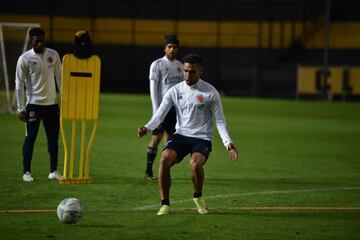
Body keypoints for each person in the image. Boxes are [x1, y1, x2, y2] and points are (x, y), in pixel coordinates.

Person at [138, 54, 238, 215]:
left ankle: (198, 198)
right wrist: (147, 127)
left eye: (191, 72)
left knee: (195, 164)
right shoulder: (175, 91)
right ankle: (165, 204)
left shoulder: (211, 92)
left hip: (201, 138)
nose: (187, 75)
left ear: (200, 71)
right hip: (181, 135)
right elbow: (160, 114)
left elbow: (219, 120)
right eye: (185, 71)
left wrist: (228, 142)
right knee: (164, 159)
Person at [15, 27, 63, 182]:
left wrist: (62, 101)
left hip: (51, 104)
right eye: (36, 41)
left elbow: (60, 78)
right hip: (33, 105)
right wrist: (20, 108)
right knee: (30, 138)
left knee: (53, 139)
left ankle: (53, 171)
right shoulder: (25, 59)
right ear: (31, 41)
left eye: (42, 40)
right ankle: (26, 172)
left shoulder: (53, 55)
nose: (39, 43)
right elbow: (19, 83)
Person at [144, 34, 184, 180]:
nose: (172, 49)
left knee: (171, 140)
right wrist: (156, 112)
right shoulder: (157, 64)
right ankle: (148, 171)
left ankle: (165, 171)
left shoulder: (181, 66)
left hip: (175, 109)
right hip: (161, 108)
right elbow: (153, 89)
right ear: (165, 48)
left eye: (175, 47)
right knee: (156, 138)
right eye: (170, 47)